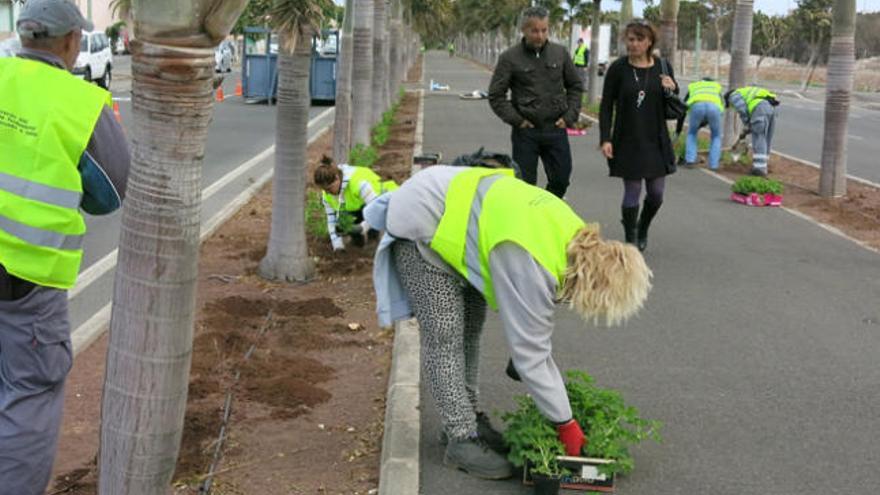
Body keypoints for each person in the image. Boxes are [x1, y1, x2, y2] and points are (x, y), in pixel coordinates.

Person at [365, 166, 652, 480]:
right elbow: (532, 350)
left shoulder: (575, 235)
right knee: (445, 334)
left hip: (465, 222)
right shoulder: (529, 258)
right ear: (595, 283)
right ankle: (460, 439)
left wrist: (530, 358)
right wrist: (566, 424)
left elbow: (534, 319)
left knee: (470, 331)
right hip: (423, 221)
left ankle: (468, 416)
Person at [0, 1, 131, 493]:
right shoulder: (79, 103)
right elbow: (112, 191)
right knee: (29, 393)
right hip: (25, 283)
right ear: (72, 42)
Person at [599, 20, 678, 252]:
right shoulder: (618, 69)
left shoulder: (662, 66)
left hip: (656, 139)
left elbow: (672, 100)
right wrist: (606, 138)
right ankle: (631, 237)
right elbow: (606, 106)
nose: (633, 44)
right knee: (632, 190)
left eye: (639, 39)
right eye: (630, 39)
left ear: (649, 42)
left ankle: (643, 227)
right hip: (627, 139)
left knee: (656, 194)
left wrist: (672, 87)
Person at [488, 6, 583, 199]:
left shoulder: (560, 53)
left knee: (561, 179)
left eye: (544, 30)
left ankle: (545, 209)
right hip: (526, 132)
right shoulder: (509, 58)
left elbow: (575, 86)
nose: (540, 35)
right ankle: (529, 223)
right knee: (525, 185)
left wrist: (569, 116)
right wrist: (518, 120)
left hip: (556, 128)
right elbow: (496, 95)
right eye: (534, 31)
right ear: (524, 30)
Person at [314, 156, 397, 250]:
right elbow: (331, 221)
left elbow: (376, 210)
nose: (327, 192)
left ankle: (373, 239)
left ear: (337, 178)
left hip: (387, 200)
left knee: (368, 211)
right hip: (363, 204)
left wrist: (362, 228)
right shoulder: (327, 194)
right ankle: (357, 242)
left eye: (329, 188)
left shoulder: (358, 183)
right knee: (344, 217)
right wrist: (338, 246)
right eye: (324, 190)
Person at [725, 86, 780, 177]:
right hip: (771, 108)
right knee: (766, 138)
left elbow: (742, 110)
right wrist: (749, 126)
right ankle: (764, 165)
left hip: (759, 108)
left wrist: (747, 124)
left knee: (759, 137)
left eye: (730, 105)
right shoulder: (746, 92)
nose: (732, 107)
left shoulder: (734, 96)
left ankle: (759, 169)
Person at [682, 77, 724, 170]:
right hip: (714, 107)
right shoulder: (716, 86)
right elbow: (722, 104)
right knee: (716, 136)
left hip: (697, 106)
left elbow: (684, 104)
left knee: (692, 133)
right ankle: (714, 165)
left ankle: (690, 160)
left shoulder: (694, 85)